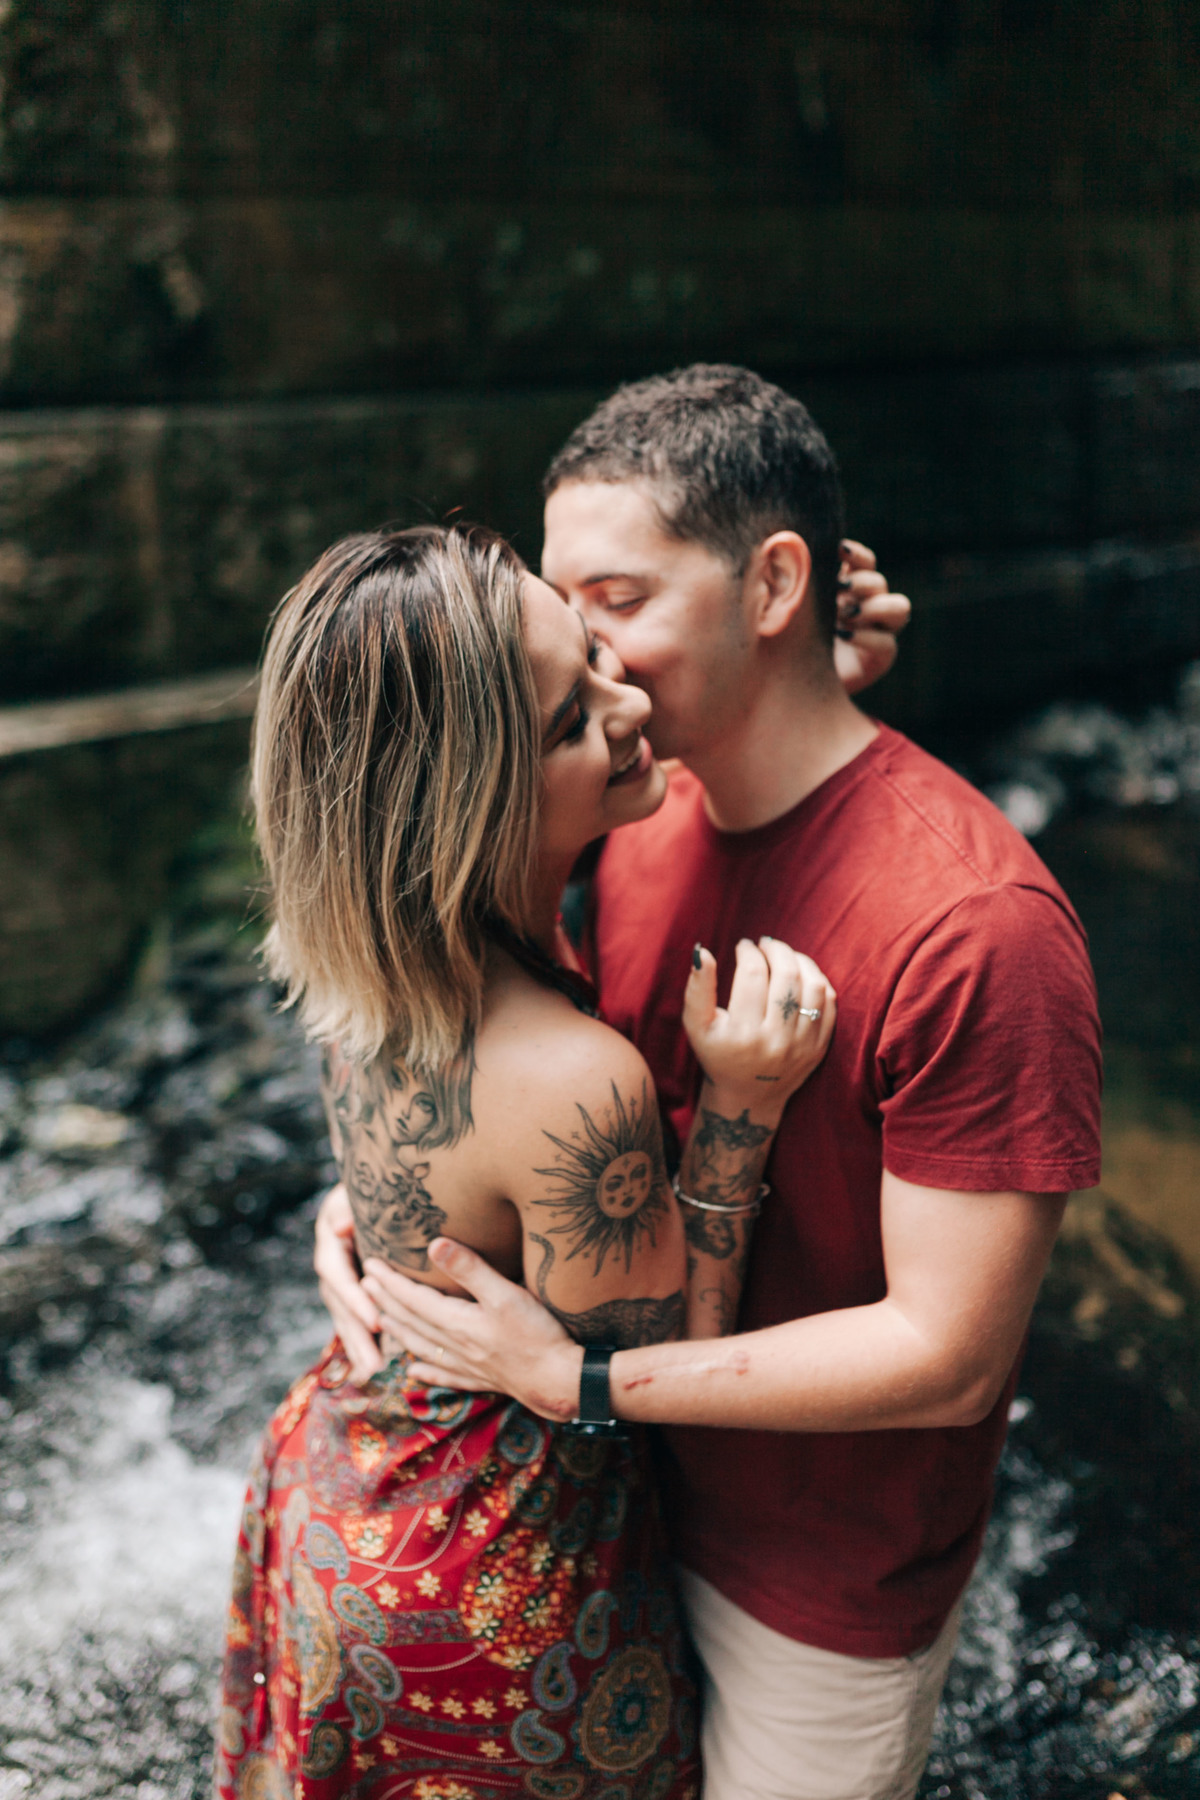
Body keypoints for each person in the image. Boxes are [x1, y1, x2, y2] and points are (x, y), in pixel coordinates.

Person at [317, 366, 1104, 1800]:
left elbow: (951, 1357)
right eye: (567, 611)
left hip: (810, 1581)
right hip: (599, 1515)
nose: (586, 655)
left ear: (777, 584)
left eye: (618, 601)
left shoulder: (978, 929)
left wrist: (580, 1378)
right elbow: (474, 1022)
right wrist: (396, 1212)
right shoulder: (632, 804)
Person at [215, 520, 839, 1800]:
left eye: (597, 653)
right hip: (493, 1584)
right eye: (570, 723)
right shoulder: (574, 1082)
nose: (629, 704)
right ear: (470, 809)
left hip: (331, 1479)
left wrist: (817, 672)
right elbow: (671, 1361)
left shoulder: (359, 966)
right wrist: (740, 1106)